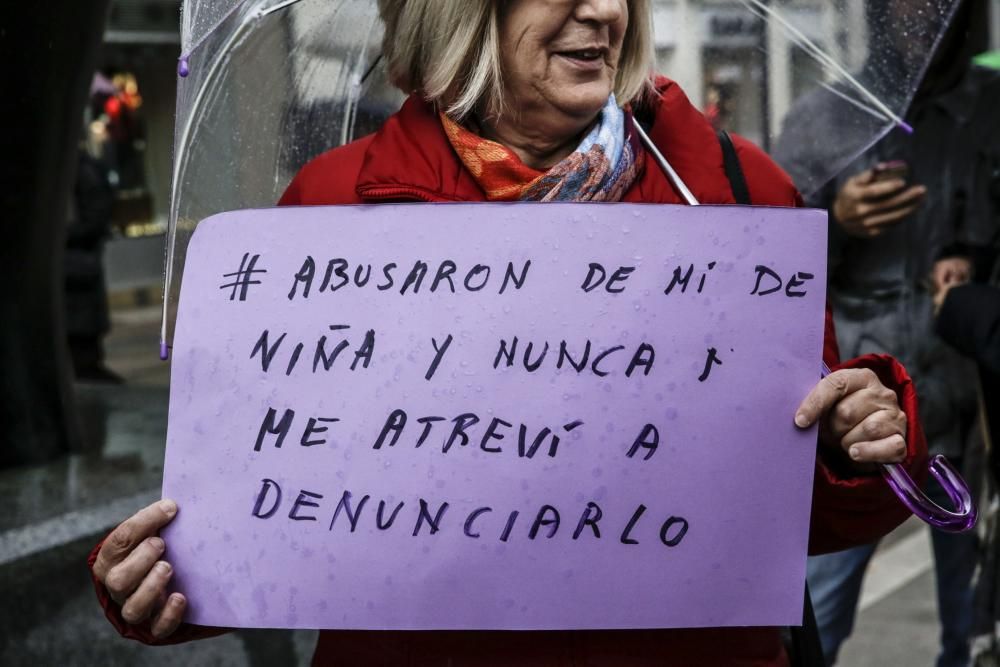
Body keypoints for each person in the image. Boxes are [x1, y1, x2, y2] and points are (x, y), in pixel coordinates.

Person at [88, 1, 927, 664]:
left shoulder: (734, 190)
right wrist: (163, 583)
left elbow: (802, 516)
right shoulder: (330, 209)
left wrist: (857, 444)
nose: (605, 12)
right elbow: (268, 516)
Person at [774, 1, 1000, 665]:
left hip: (969, 419)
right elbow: (773, 271)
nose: (916, 12)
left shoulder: (991, 112)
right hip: (852, 428)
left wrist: (973, 267)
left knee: (974, 623)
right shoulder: (821, 117)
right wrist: (835, 219)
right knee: (817, 614)